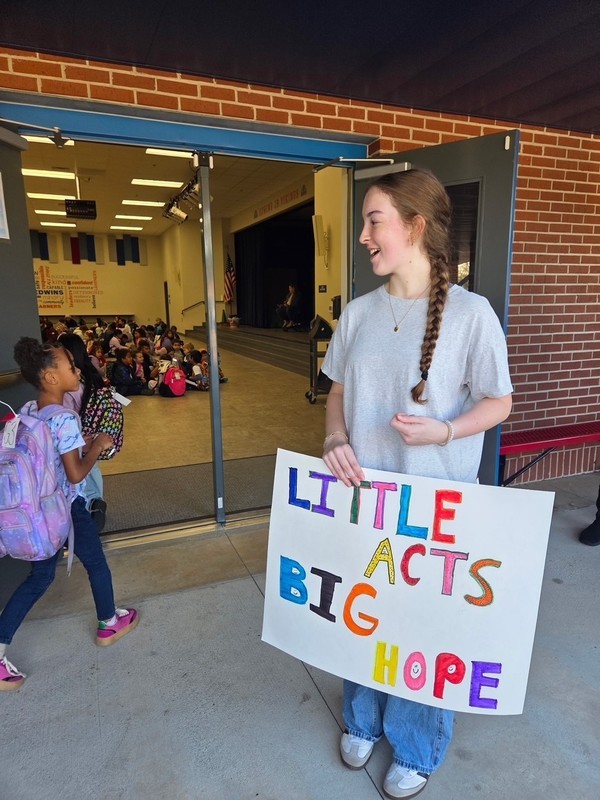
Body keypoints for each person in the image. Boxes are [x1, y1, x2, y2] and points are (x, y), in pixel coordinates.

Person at [320, 169, 513, 799]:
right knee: (365, 614)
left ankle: (417, 742)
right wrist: (334, 438)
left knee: (423, 629)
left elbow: (499, 403)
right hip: (366, 505)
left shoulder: (472, 316)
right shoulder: (358, 314)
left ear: (417, 227)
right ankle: (362, 718)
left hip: (437, 512)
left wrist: (446, 433)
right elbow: (338, 393)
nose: (364, 236)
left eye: (375, 220)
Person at [0, 338, 139, 691]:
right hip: (67, 505)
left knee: (40, 578)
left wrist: (81, 442)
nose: (77, 371)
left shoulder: (30, 409)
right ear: (50, 376)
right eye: (69, 367)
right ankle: (108, 621)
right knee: (96, 563)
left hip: (39, 507)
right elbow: (76, 473)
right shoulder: (65, 417)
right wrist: (97, 445)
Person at [59, 333, 111, 533]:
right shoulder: (91, 372)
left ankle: (89, 510)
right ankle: (96, 502)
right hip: (92, 434)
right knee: (92, 469)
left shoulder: (70, 386)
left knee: (76, 475)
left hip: (76, 438)